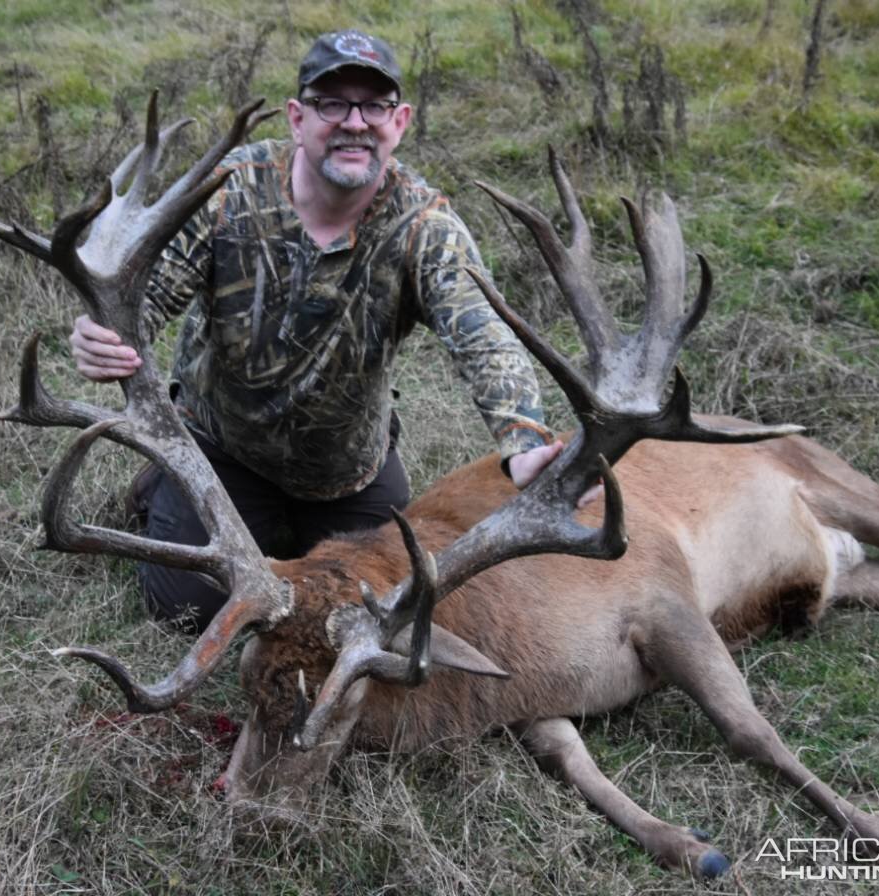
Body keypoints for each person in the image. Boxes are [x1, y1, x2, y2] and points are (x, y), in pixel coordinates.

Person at [70, 29, 564, 632]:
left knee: (383, 608)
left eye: (373, 106)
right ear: (298, 118)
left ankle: (276, 524)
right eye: (333, 104)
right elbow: (142, 302)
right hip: (223, 448)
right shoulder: (231, 190)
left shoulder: (424, 226)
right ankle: (164, 489)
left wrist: (525, 442)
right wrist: (104, 336)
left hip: (347, 471)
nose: (354, 122)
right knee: (188, 611)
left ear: (399, 121)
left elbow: (483, 335)